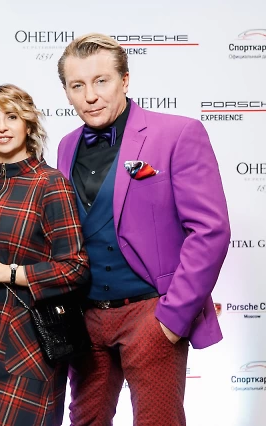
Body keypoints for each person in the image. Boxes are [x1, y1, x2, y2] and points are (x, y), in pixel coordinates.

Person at [55, 33, 231, 425]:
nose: (90, 96)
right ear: (66, 92)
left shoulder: (178, 133)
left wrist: (172, 319)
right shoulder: (67, 146)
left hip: (151, 313)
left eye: (101, 81)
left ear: (125, 80)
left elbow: (210, 230)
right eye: (77, 85)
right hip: (87, 319)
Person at [0, 84, 90, 426]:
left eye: (11, 117)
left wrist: (10, 272)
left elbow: (75, 268)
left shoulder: (50, 183)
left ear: (28, 125)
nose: (1, 127)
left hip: (25, 340)